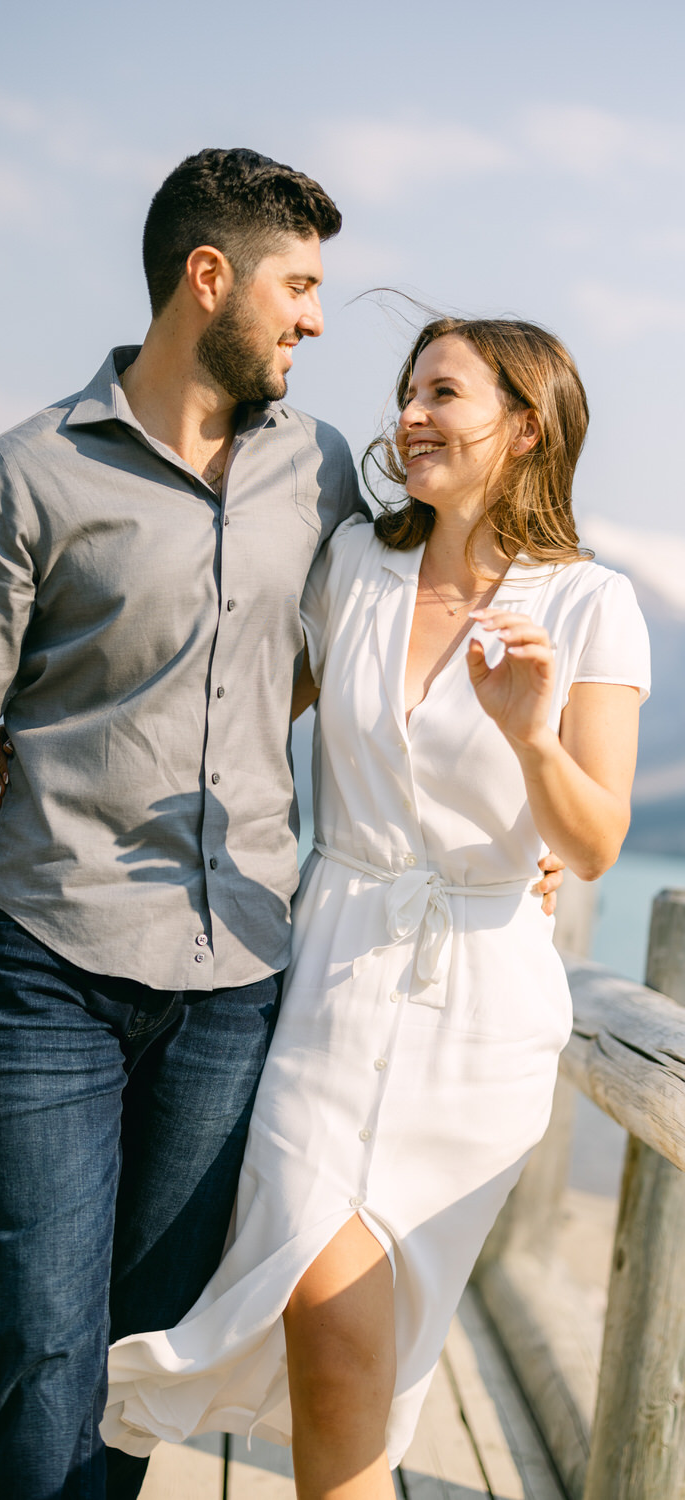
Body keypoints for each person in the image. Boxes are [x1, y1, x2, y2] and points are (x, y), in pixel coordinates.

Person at [0, 146, 373, 1500]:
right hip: (47, 974)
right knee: (45, 1351)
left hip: (237, 988)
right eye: (301, 286)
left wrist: (511, 805)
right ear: (207, 279)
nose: (316, 320)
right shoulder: (28, 473)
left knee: (136, 1356)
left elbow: (398, 646)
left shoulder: (320, 468)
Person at [102, 317, 649, 1499]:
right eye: (405, 391)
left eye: (441, 394)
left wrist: (531, 737)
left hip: (480, 1017)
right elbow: (234, 705)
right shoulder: (353, 566)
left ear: (525, 424)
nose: (407, 417)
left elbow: (593, 841)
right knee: (321, 1301)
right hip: (332, 977)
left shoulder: (594, 604)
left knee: (362, 1349)